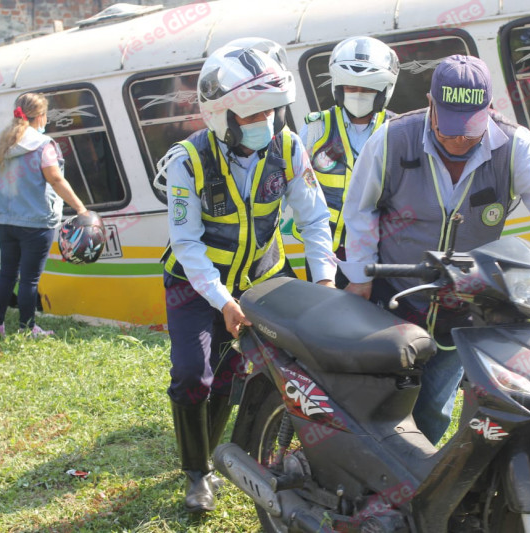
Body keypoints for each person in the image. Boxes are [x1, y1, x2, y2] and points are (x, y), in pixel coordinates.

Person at [342, 55, 530, 445]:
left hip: (461, 302)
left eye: (470, 129)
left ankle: (417, 486)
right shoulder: (393, 138)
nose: (459, 139)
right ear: (431, 104)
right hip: (394, 294)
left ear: (488, 110)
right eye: (449, 128)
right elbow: (360, 209)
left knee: (433, 407)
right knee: (384, 400)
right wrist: (360, 277)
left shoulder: (513, 146)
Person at [155, 39, 336, 513]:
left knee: (235, 376)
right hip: (195, 286)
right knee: (193, 373)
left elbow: (315, 220)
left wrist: (324, 284)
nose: (267, 124)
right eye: (254, 116)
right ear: (222, 115)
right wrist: (222, 301)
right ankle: (198, 474)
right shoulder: (187, 161)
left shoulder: (291, 148)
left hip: (262, 277)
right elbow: (187, 243)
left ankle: (220, 453)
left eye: (272, 113)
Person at [0, 93, 88, 337]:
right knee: (29, 279)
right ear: (42, 116)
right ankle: (27, 328)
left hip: (4, 220)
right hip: (36, 222)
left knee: (6, 272)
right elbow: (55, 179)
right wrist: (80, 208)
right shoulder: (42, 144)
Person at [296, 36, 399, 288]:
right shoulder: (315, 130)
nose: (357, 95)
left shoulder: (398, 131)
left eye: (367, 90)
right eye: (351, 88)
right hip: (326, 255)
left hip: (380, 254)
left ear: (384, 91)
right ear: (338, 88)